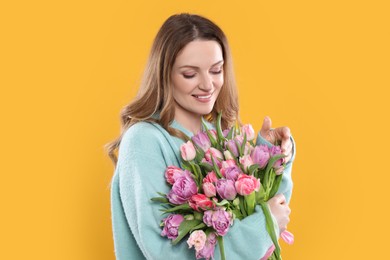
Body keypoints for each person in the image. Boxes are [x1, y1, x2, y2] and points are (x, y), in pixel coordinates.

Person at [106, 13, 296, 260]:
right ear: (165, 75)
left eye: (216, 70)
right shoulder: (144, 140)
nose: (208, 84)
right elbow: (164, 253)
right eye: (189, 74)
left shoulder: (216, 138)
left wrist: (271, 156)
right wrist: (263, 226)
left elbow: (271, 213)